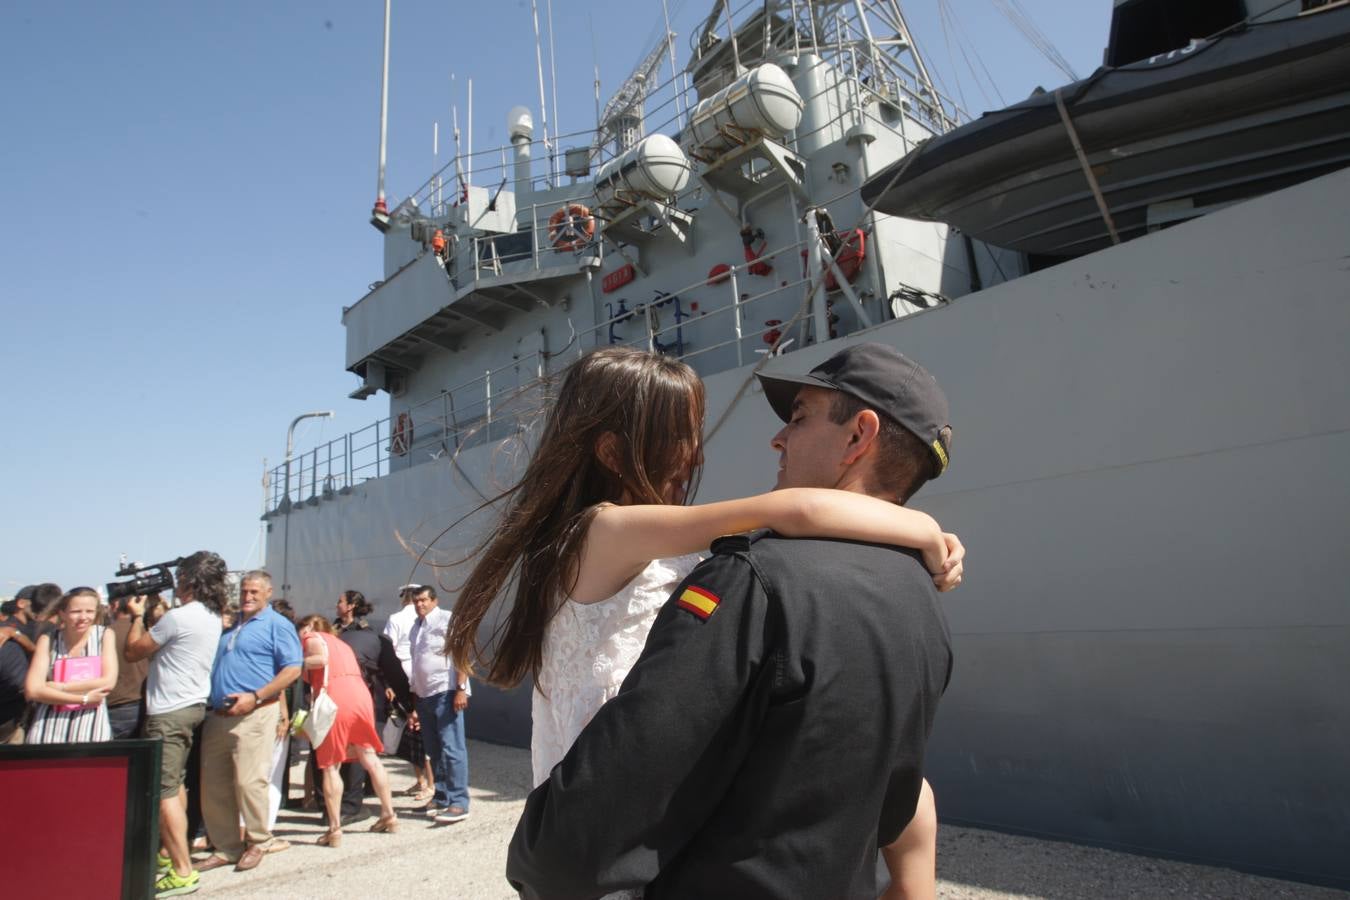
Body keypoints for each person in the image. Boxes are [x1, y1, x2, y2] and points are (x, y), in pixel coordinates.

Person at [502, 343, 958, 898]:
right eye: (677, 434)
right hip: (607, 813)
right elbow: (798, 511)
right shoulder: (603, 529)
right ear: (614, 453)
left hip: (632, 813)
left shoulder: (661, 545)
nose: (695, 453)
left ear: (859, 437)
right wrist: (927, 532)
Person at [123, 552, 227, 898]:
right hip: (193, 706)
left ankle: (182, 871)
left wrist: (137, 618)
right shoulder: (211, 616)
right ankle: (169, 852)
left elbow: (134, 651)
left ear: (189, 582)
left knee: (165, 792)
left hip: (167, 712)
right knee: (177, 784)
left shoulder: (178, 618)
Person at [195, 570, 302, 875]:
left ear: (268, 593)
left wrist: (256, 696)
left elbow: (292, 669)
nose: (247, 596)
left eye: (254, 592)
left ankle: (259, 839)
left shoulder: (277, 625)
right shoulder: (230, 627)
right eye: (244, 591)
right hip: (219, 715)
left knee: (249, 780)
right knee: (214, 785)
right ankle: (226, 846)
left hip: (255, 711)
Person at [295, 614, 399, 847]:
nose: (300, 634)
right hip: (359, 695)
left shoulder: (312, 637)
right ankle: (389, 815)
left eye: (301, 629)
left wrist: (293, 662)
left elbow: (320, 660)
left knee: (330, 765)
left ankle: (334, 830)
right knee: (369, 758)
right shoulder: (342, 643)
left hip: (335, 696)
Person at [330, 589, 412, 824]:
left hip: (362, 700)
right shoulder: (334, 632)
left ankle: (351, 804)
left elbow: (390, 671)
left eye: (340, 601)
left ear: (351, 606)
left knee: (359, 753)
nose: (337, 605)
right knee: (356, 753)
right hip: (344, 700)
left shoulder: (368, 636)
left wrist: (406, 703)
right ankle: (343, 802)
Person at [408, 585, 471, 824]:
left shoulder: (447, 620)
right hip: (424, 696)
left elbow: (462, 653)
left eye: (423, 600)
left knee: (452, 749)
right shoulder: (417, 626)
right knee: (434, 750)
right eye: (416, 601)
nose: (419, 604)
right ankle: (442, 796)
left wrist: (461, 689)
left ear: (434, 600)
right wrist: (415, 701)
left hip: (446, 692)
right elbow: (416, 663)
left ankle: (459, 802)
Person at [23, 587, 118, 744]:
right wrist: (84, 698)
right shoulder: (48, 639)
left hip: (91, 729)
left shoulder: (104, 635)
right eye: (76, 611)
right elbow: (32, 690)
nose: (83, 617)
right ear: (62, 613)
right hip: (48, 729)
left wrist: (59, 687)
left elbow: (108, 682)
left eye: (89, 611)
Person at [383, 583, 434, 801]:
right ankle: (425, 782)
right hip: (420, 675)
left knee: (413, 732)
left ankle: (425, 781)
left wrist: (388, 684)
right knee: (420, 732)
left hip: (402, 676)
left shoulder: (395, 619)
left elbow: (388, 652)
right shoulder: (423, 620)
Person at [106, 595, 151, 739]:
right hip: (143, 704)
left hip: (115, 705)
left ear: (114, 605)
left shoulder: (105, 633)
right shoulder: (149, 633)